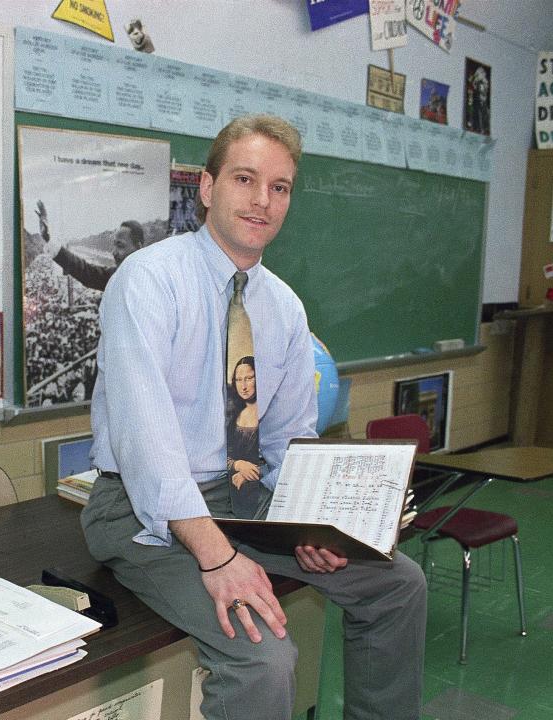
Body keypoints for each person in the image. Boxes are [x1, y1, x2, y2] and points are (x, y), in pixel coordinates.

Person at [80, 114, 426, 720]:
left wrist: (309, 524)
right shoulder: (148, 281)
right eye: (245, 179)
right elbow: (147, 448)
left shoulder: (284, 308)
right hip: (139, 506)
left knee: (399, 585)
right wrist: (218, 558)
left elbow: (290, 442)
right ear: (208, 188)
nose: (262, 200)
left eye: (280, 187)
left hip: (243, 497)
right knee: (265, 658)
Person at [36, 200, 144, 292]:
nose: (113, 252)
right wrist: (47, 237)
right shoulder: (116, 277)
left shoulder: (154, 279)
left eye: (120, 246)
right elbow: (85, 271)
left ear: (138, 248)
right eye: (114, 245)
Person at [226, 356, 262, 503]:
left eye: (249, 378)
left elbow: (276, 459)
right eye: (239, 380)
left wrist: (248, 474)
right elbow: (221, 454)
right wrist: (238, 465)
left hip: (260, 486)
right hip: (229, 482)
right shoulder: (232, 412)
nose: (244, 386)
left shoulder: (268, 413)